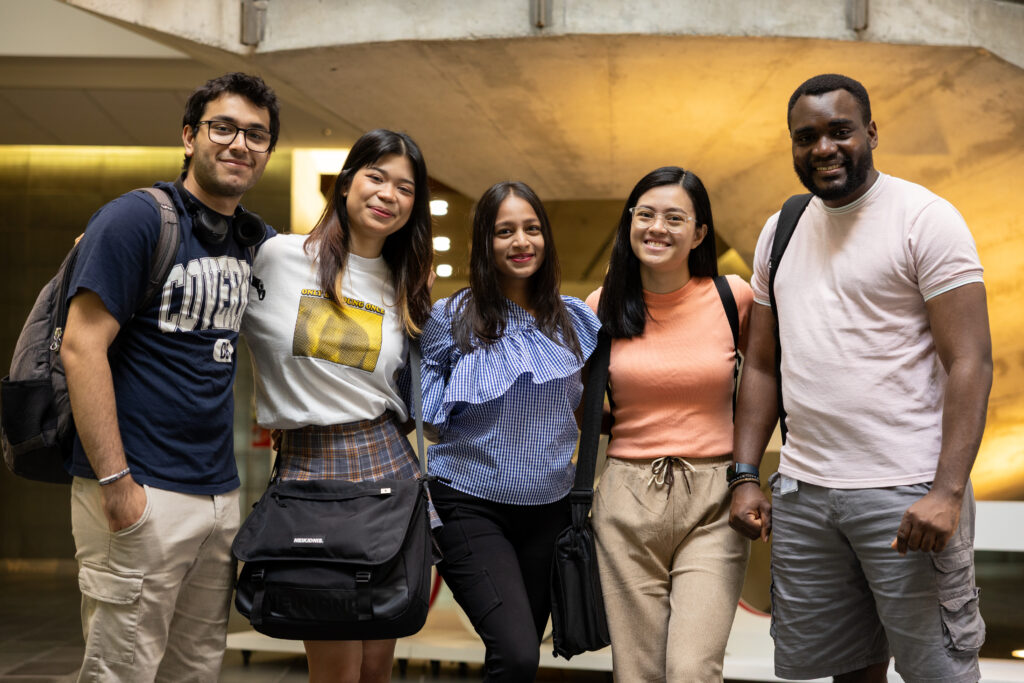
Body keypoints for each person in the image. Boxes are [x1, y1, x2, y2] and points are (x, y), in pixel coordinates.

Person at [729, 73, 992, 683]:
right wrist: (745, 475)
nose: (823, 148)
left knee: (939, 673)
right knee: (848, 673)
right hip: (806, 495)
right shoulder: (782, 228)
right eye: (806, 137)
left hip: (908, 493)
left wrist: (947, 492)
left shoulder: (924, 218)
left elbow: (971, 362)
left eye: (840, 131)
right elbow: (761, 365)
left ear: (871, 132)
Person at [60, 72, 279, 681]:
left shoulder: (251, 240)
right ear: (189, 136)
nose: (239, 144)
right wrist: (117, 485)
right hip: (140, 490)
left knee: (196, 668)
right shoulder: (136, 219)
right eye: (223, 128)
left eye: (256, 135)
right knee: (122, 669)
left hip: (218, 495)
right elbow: (81, 348)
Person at [240, 128, 434, 683]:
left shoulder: (404, 284)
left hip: (387, 468)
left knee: (374, 669)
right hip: (308, 474)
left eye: (405, 187)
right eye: (376, 177)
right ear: (347, 183)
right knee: (335, 670)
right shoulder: (278, 257)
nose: (388, 194)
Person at [418, 181, 601, 681]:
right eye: (504, 231)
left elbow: (589, 409)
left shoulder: (576, 319)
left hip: (551, 510)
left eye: (532, 228)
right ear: (484, 242)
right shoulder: (450, 318)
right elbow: (429, 422)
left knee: (520, 661)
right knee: (517, 653)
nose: (521, 241)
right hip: (468, 503)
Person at [585, 166, 753, 681]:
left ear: (699, 233)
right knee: (636, 672)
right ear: (629, 222)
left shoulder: (733, 297)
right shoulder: (601, 304)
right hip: (626, 497)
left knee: (691, 668)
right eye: (646, 215)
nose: (657, 227)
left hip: (714, 497)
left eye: (675, 218)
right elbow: (580, 402)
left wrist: (749, 474)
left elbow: (767, 383)